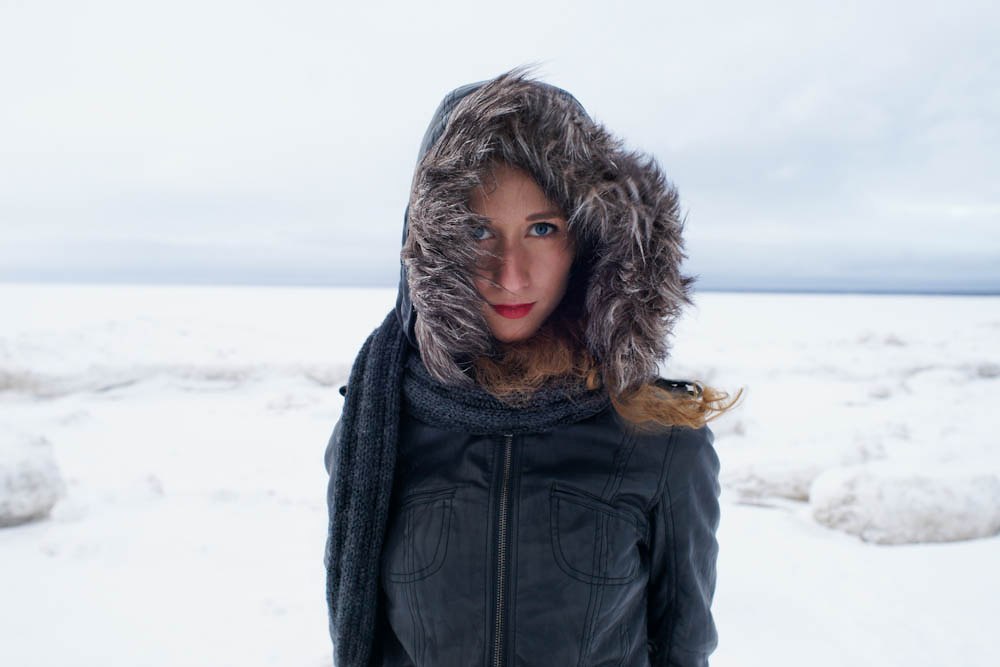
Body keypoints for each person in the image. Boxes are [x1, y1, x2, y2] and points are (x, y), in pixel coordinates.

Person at [324, 65, 742, 667]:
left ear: (590, 239)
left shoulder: (660, 440)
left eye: (542, 228)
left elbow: (683, 648)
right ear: (431, 243)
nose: (511, 274)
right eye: (477, 230)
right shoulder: (377, 428)